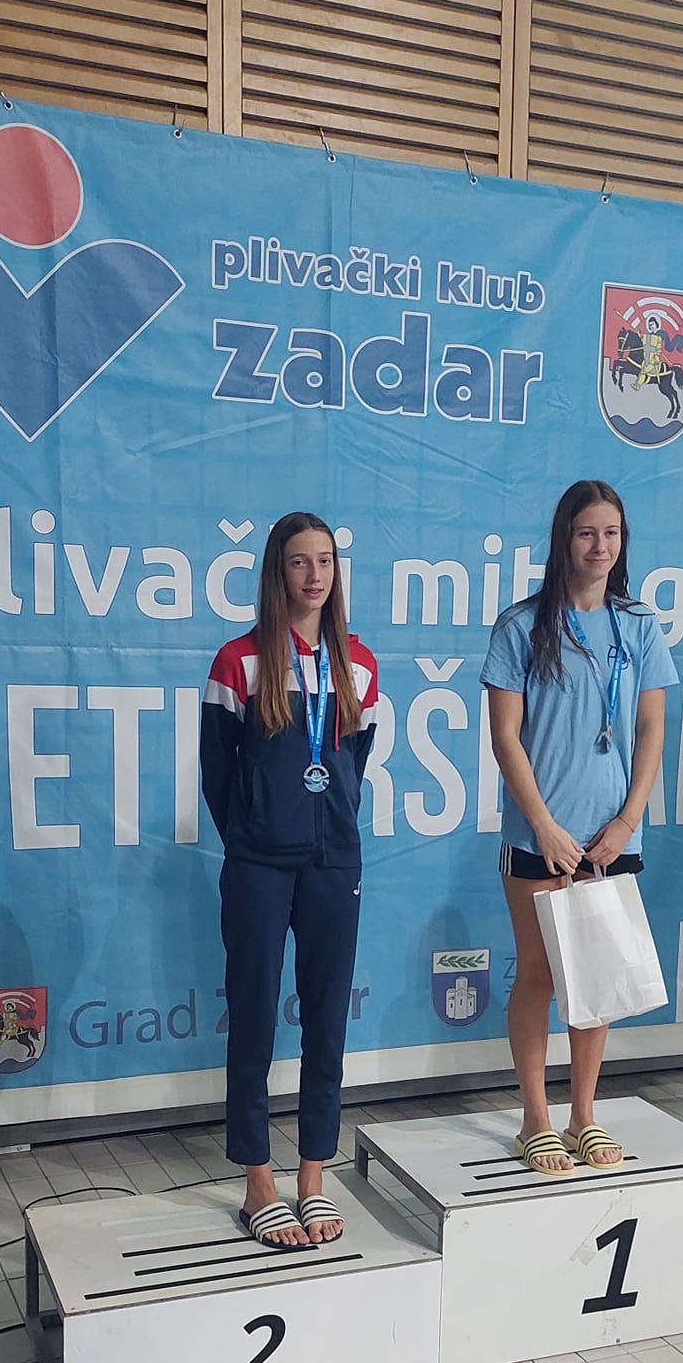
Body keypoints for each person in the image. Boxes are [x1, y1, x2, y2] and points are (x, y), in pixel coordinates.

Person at [482, 480, 678, 1174]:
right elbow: (505, 737)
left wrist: (627, 820)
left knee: (595, 978)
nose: (600, 546)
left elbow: (651, 730)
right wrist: (543, 825)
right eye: (586, 532)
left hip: (610, 836)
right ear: (564, 539)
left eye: (611, 533)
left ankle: (583, 1115)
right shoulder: (521, 626)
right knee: (538, 973)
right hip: (539, 835)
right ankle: (535, 1119)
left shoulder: (639, 626)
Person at [201, 512, 378, 1248]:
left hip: (334, 862)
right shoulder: (238, 660)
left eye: (325, 561)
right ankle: (257, 1182)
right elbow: (217, 774)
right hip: (258, 865)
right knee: (252, 1019)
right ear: (277, 571)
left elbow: (352, 764)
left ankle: (312, 1178)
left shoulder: (357, 663)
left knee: (327, 1022)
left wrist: (323, 828)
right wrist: (256, 836)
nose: (314, 575)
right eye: (300, 562)